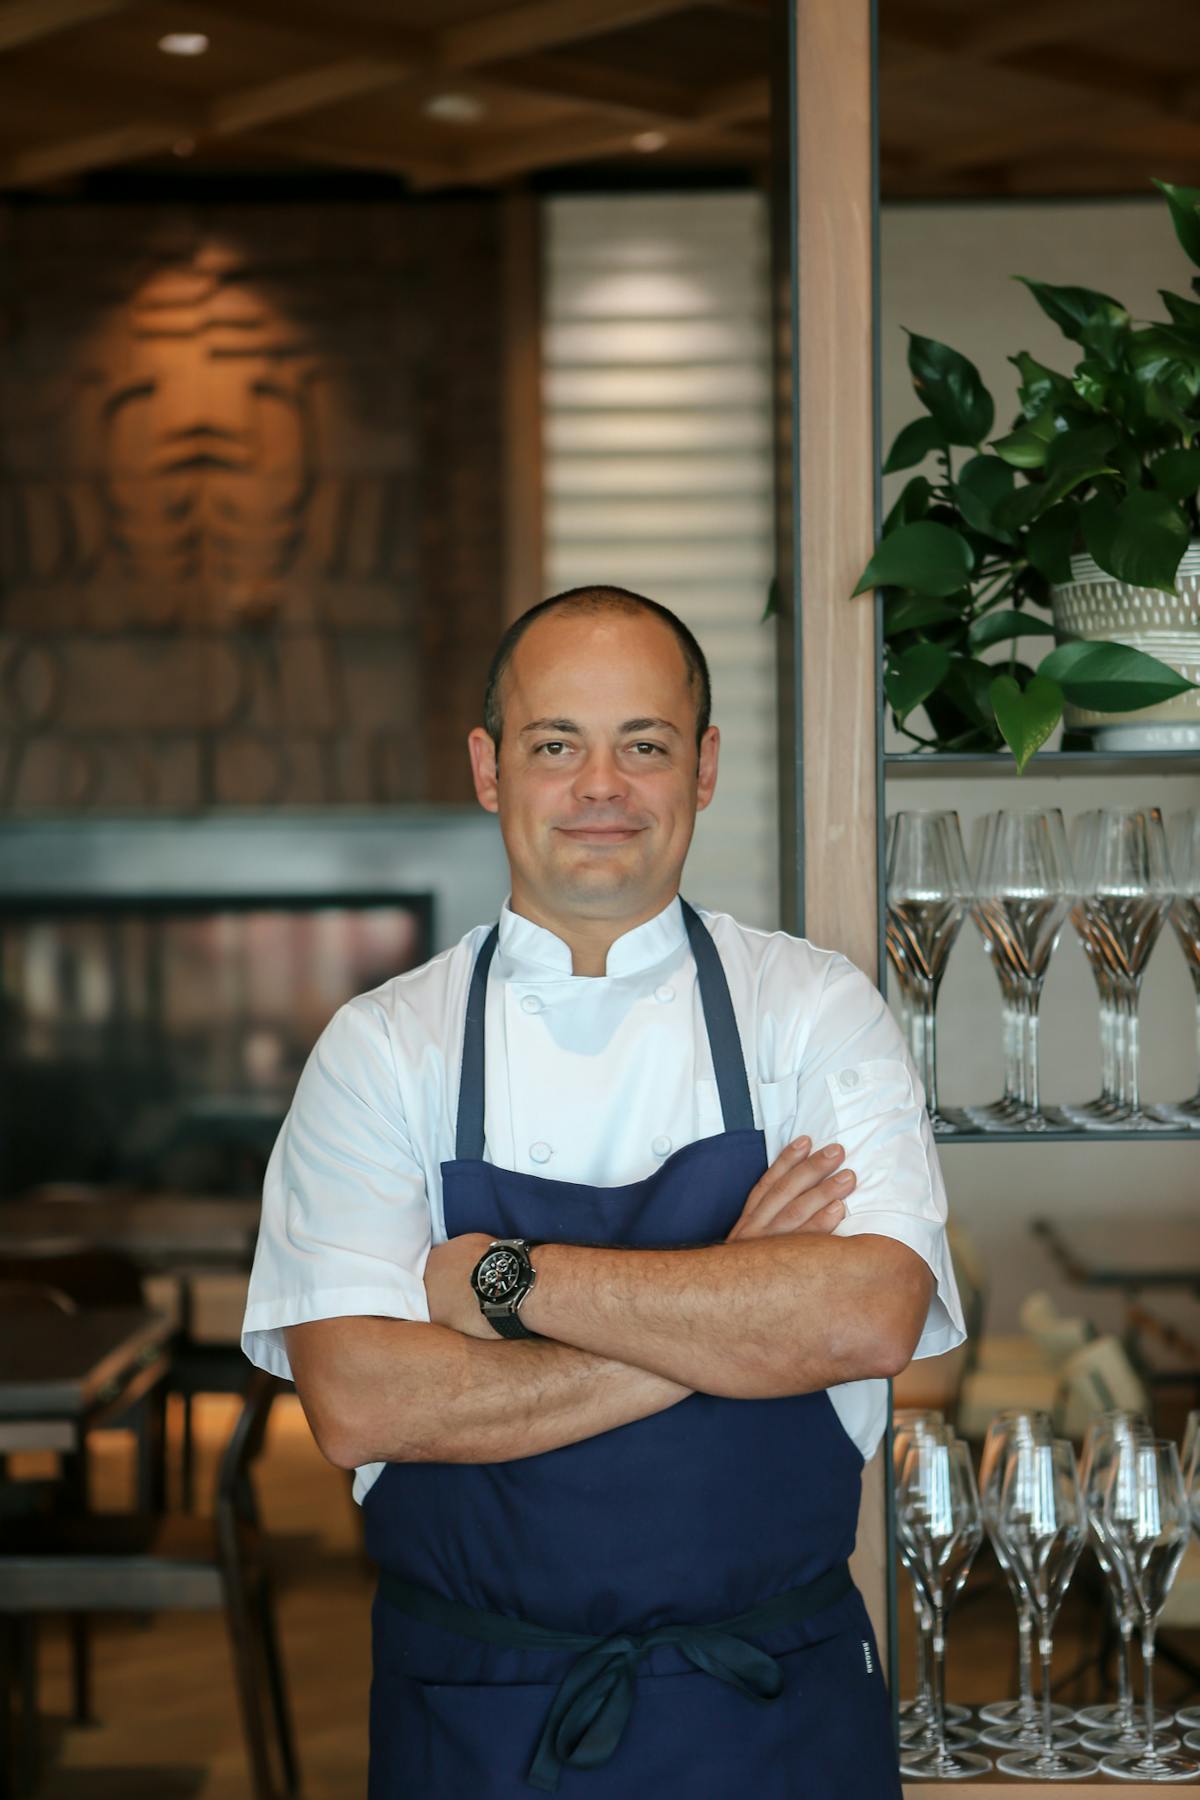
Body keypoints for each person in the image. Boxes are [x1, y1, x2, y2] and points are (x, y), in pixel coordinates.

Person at [242, 585, 965, 1798]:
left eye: (645, 744)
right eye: (555, 744)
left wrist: (501, 1283)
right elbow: (361, 1402)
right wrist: (735, 1303)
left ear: (705, 767)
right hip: (477, 1726)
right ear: (488, 770)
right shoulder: (383, 1049)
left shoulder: (811, 1010)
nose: (601, 787)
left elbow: (866, 1318)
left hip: (773, 1723)